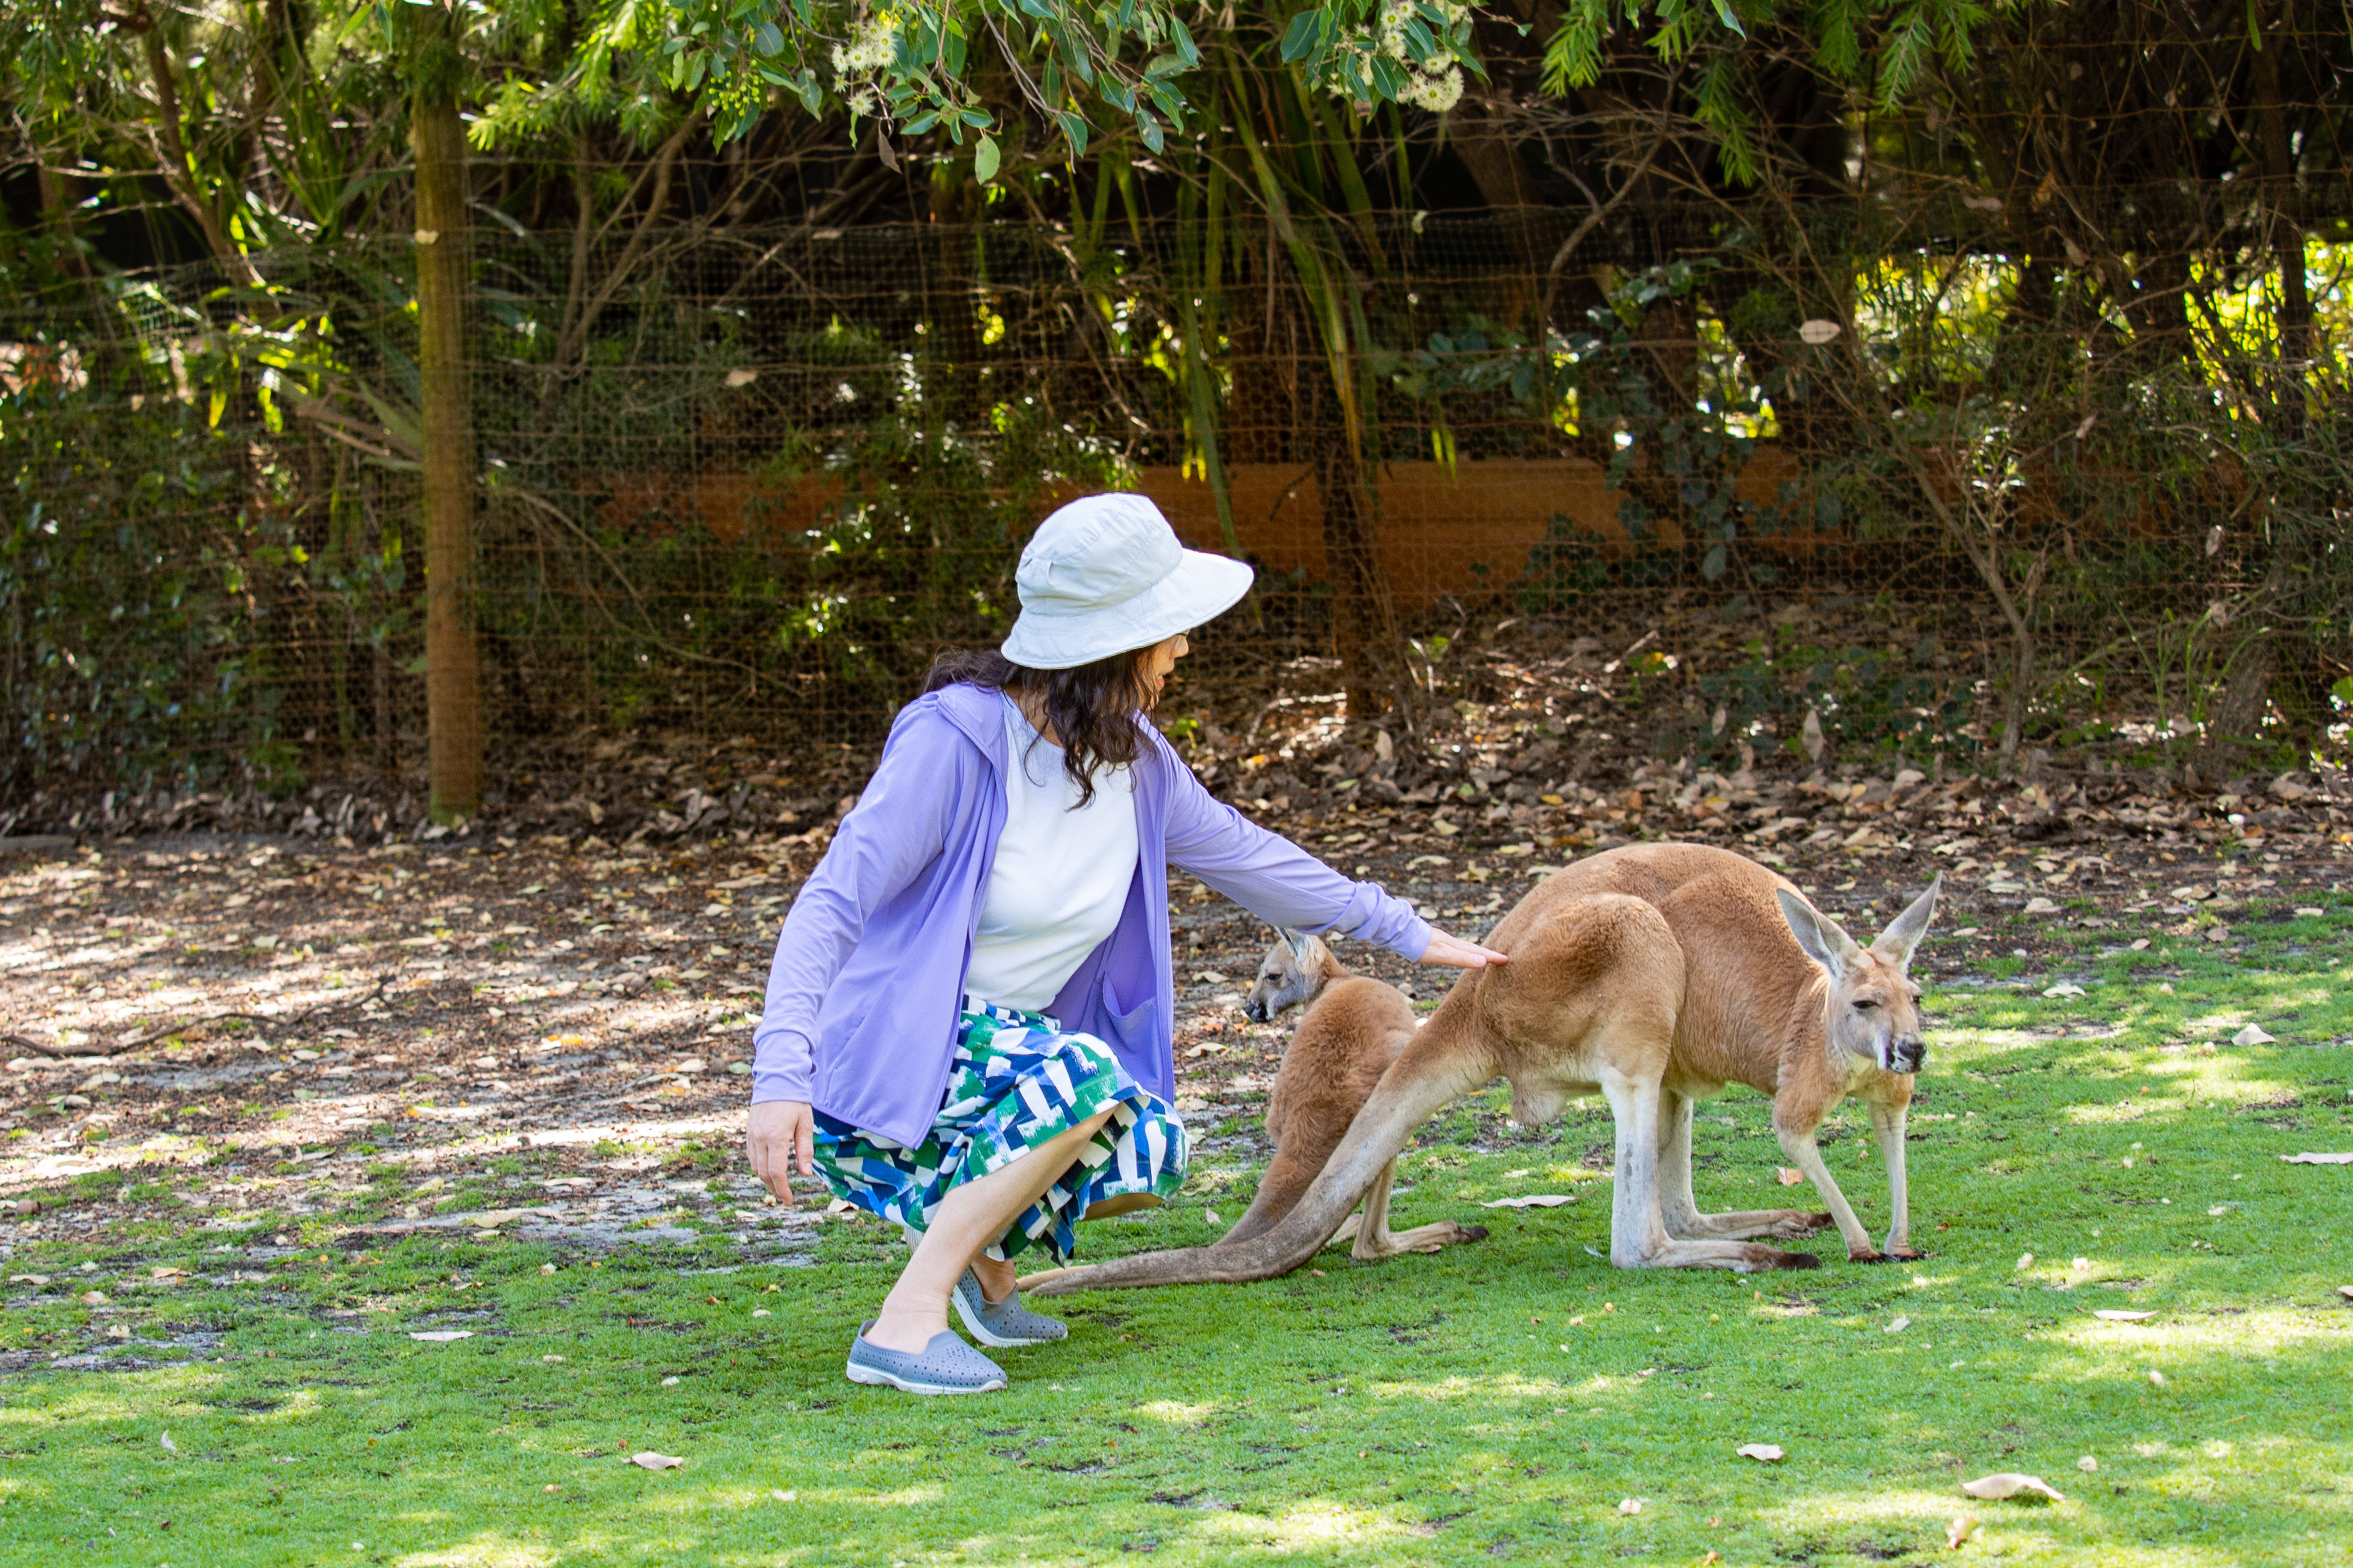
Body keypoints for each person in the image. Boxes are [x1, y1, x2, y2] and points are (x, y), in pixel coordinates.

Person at [746, 492, 1505, 1395]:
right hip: (884, 1050)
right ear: (1115, 644)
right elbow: (831, 902)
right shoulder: (952, 743)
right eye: (1168, 629)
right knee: (1082, 1083)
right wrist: (780, 1071)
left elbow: (1244, 854)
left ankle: (988, 1270)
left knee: (1147, 1144)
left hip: (993, 1058)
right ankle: (904, 1325)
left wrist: (1410, 933)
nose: (1181, 647)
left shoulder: (1130, 754)